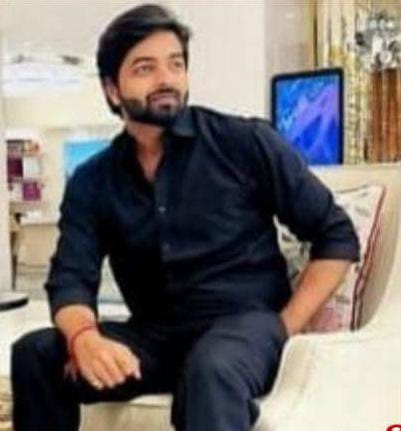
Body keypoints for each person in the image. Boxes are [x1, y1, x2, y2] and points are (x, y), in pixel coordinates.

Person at [11, 4, 360, 431]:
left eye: (175, 64)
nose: (166, 79)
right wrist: (84, 337)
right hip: (155, 339)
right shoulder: (93, 180)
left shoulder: (244, 142)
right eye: (145, 68)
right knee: (36, 353)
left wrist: (283, 329)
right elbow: (70, 278)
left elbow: (335, 236)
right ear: (112, 90)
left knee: (212, 366)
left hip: (243, 331)